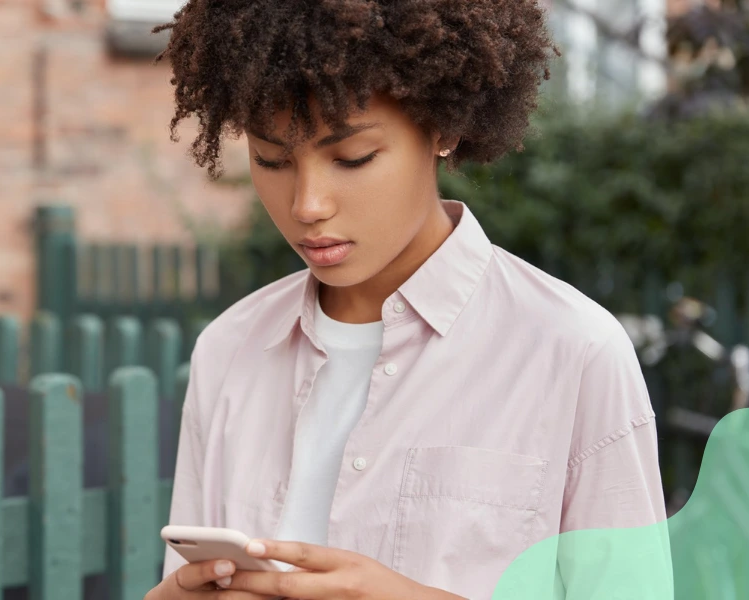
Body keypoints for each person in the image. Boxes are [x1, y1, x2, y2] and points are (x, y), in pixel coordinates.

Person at [145, 2, 672, 599]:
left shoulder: (573, 352)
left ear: (441, 129)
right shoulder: (230, 348)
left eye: (353, 158)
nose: (307, 205)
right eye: (272, 160)